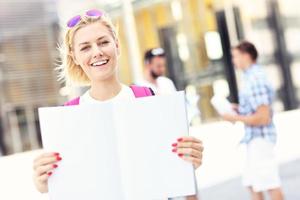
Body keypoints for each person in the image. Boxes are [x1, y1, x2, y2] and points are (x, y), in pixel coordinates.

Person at [32, 9, 203, 199]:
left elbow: (173, 171)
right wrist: (45, 184)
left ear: (117, 45)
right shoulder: (70, 115)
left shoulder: (147, 99)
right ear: (75, 57)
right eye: (85, 47)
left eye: (103, 42)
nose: (97, 52)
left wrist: (188, 162)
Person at [222, 41, 284, 200]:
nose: (233, 60)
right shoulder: (250, 76)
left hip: (260, 139)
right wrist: (239, 109)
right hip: (254, 139)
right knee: (252, 183)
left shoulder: (255, 78)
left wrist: (234, 117)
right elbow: (257, 109)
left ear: (246, 55)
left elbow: (263, 117)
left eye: (235, 56)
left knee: (270, 184)